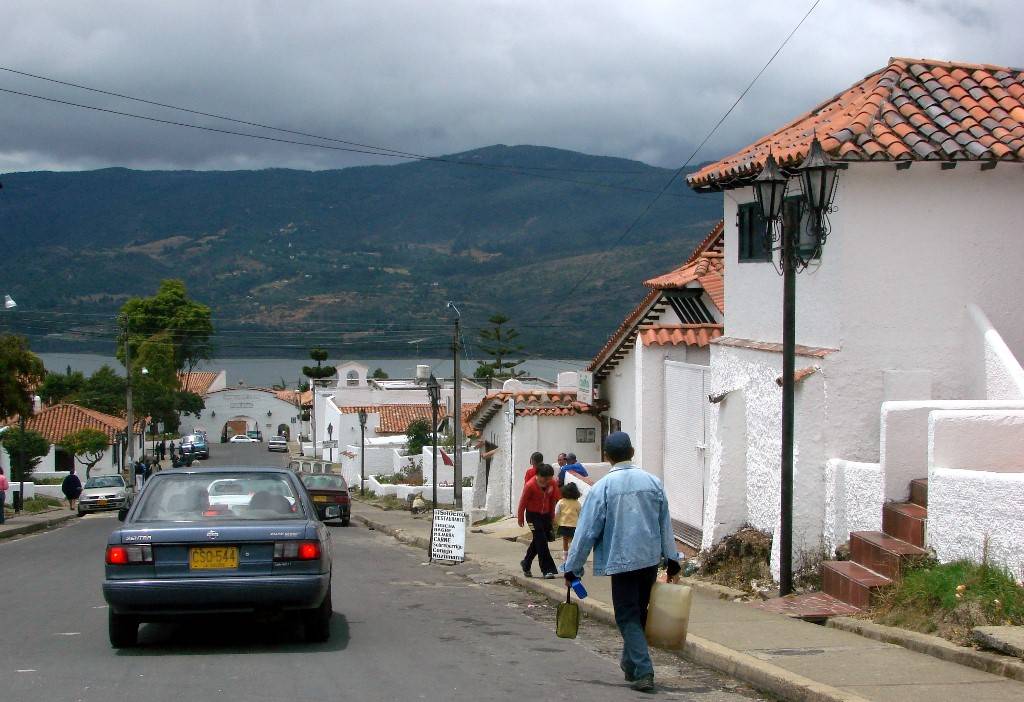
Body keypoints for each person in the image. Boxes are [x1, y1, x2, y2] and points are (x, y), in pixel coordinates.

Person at [561, 432, 681, 693]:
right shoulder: (653, 482)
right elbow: (665, 523)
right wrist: (672, 558)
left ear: (606, 456)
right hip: (649, 560)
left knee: (627, 616)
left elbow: (585, 533)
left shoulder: (603, 488)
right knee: (638, 614)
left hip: (622, 561)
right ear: (633, 452)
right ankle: (630, 664)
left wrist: (573, 567)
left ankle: (643, 670)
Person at [516, 463, 561, 579]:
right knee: (541, 541)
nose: (547, 481)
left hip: (545, 515)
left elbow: (553, 500)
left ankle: (526, 563)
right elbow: (523, 502)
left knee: (539, 540)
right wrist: (520, 517)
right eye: (545, 478)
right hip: (532, 516)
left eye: (549, 478)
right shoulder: (530, 485)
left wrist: (552, 516)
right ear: (538, 475)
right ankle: (547, 569)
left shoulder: (552, 484)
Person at [554, 481, 581, 562]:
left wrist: (556, 521)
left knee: (565, 540)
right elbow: (580, 514)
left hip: (563, 524)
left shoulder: (561, 502)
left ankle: (565, 556)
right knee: (573, 541)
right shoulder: (577, 503)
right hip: (574, 525)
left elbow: (557, 512)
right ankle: (572, 555)